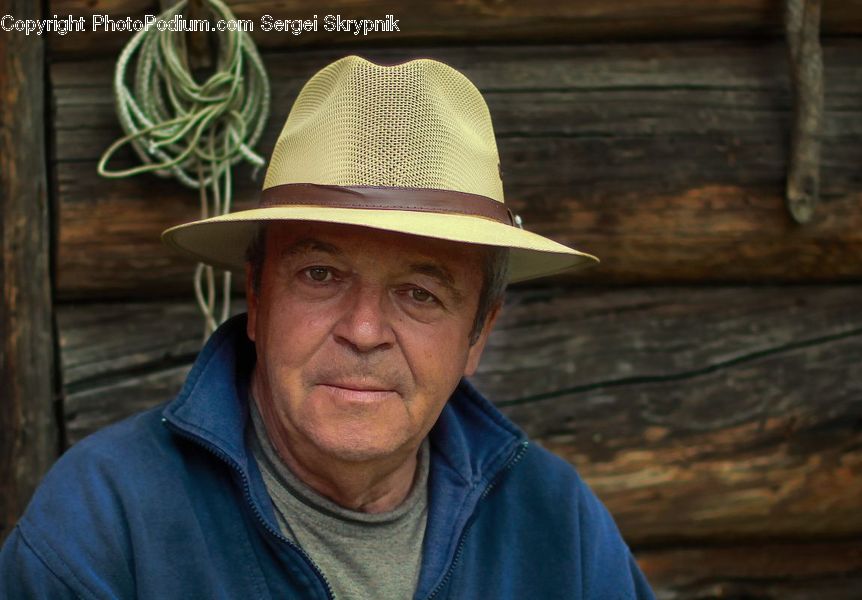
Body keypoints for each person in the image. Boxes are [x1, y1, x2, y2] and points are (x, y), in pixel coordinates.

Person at [0, 56, 655, 599]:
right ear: (255, 298)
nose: (365, 330)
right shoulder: (103, 522)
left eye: (420, 293)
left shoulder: (558, 526)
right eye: (321, 275)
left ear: (478, 334)